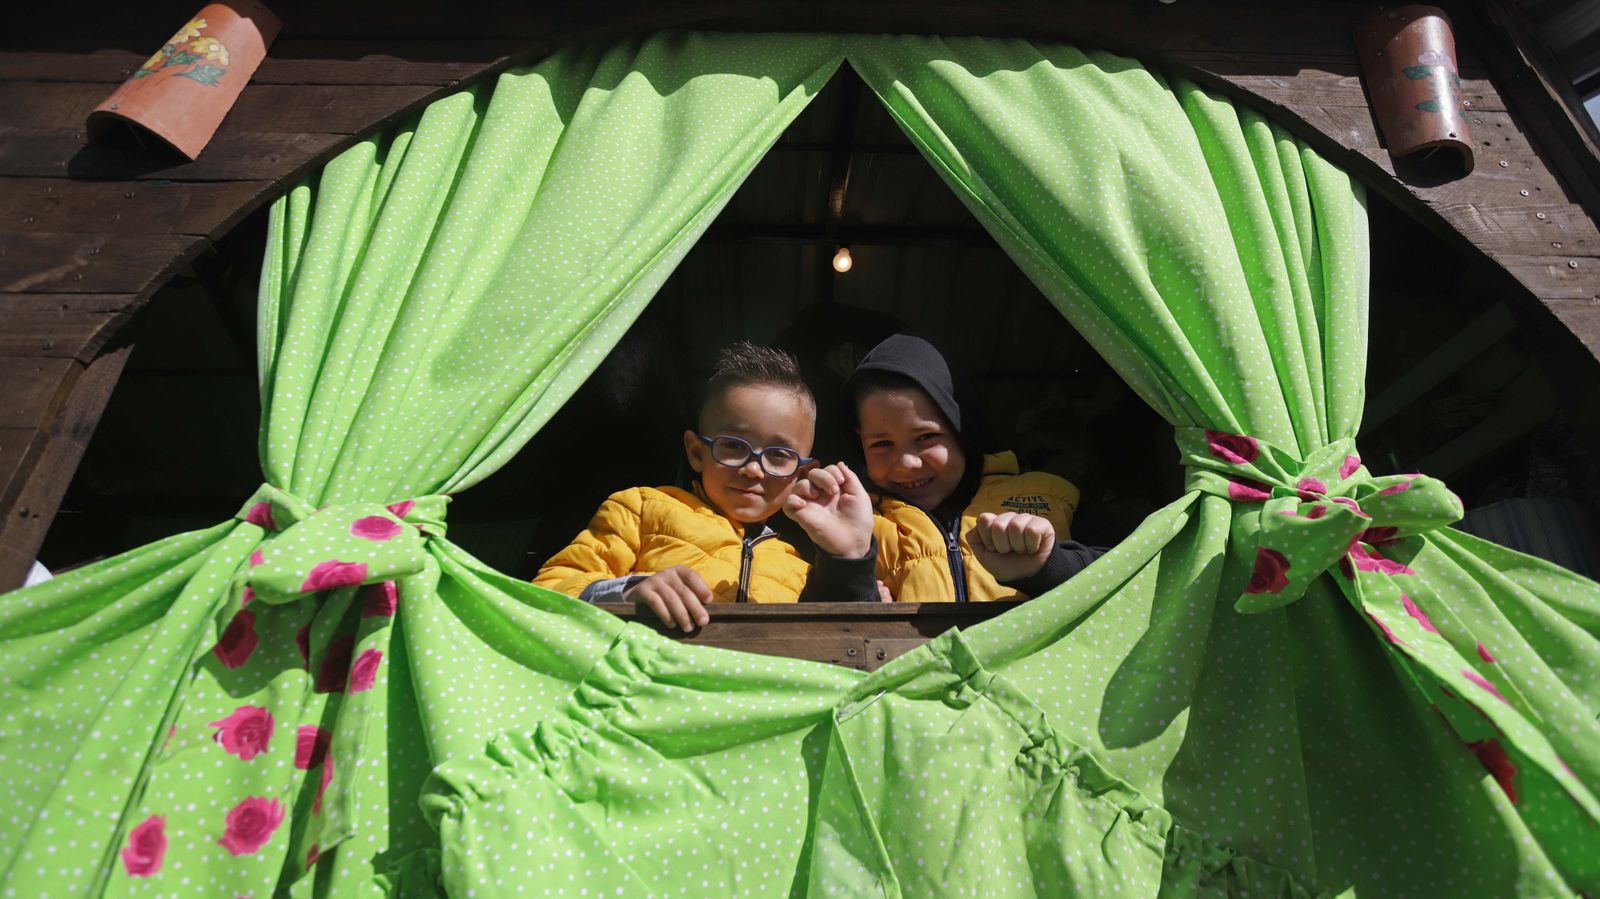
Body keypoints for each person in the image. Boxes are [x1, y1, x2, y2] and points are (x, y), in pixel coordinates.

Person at [535, 342, 879, 630]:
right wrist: (628, 594)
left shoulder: (800, 568)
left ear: (801, 473)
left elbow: (843, 646)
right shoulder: (640, 509)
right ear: (696, 452)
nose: (753, 469)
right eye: (733, 446)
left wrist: (849, 557)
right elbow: (545, 593)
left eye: (778, 455)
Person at [847, 334, 1102, 602]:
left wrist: (1048, 566)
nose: (907, 462)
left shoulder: (1054, 497)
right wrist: (858, 590)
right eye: (882, 444)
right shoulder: (853, 524)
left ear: (962, 431)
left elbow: (1127, 576)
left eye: (926, 437)